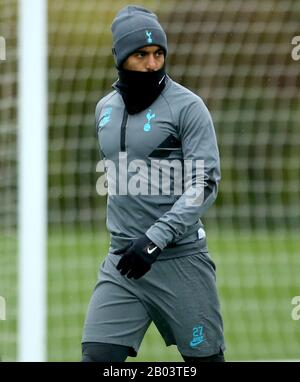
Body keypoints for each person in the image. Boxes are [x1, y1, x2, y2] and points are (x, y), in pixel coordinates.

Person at [81, 5, 225, 362]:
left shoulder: (188, 107)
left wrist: (155, 239)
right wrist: (133, 241)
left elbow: (204, 183)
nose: (152, 64)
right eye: (141, 55)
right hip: (123, 262)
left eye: (158, 54)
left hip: (180, 261)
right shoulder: (105, 109)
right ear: (120, 57)